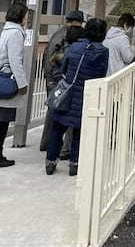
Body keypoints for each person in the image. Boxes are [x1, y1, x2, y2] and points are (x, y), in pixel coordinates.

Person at [45, 17, 108, 177]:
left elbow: (64, 67)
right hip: (87, 94)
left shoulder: (74, 47)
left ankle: (51, 162)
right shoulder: (103, 51)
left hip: (67, 93)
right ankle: (75, 164)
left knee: (58, 128)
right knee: (80, 132)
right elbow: (101, 74)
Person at [0, 3, 29, 169]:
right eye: (26, 15)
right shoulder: (16, 33)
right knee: (3, 120)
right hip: (7, 80)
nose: (26, 18)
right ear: (21, 17)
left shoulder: (5, 30)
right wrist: (22, 83)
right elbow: (15, 60)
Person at [39, 9, 85, 154]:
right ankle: (66, 149)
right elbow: (65, 58)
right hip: (61, 78)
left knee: (53, 110)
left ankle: (46, 144)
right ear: (77, 22)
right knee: (68, 113)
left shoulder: (56, 34)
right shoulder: (70, 35)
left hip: (51, 77)